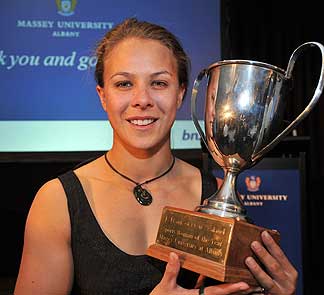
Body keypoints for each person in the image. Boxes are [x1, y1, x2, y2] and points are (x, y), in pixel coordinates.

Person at [14, 18, 297, 295]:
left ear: (180, 94)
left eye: (159, 83)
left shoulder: (215, 193)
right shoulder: (58, 201)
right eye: (124, 84)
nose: (142, 99)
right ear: (103, 96)